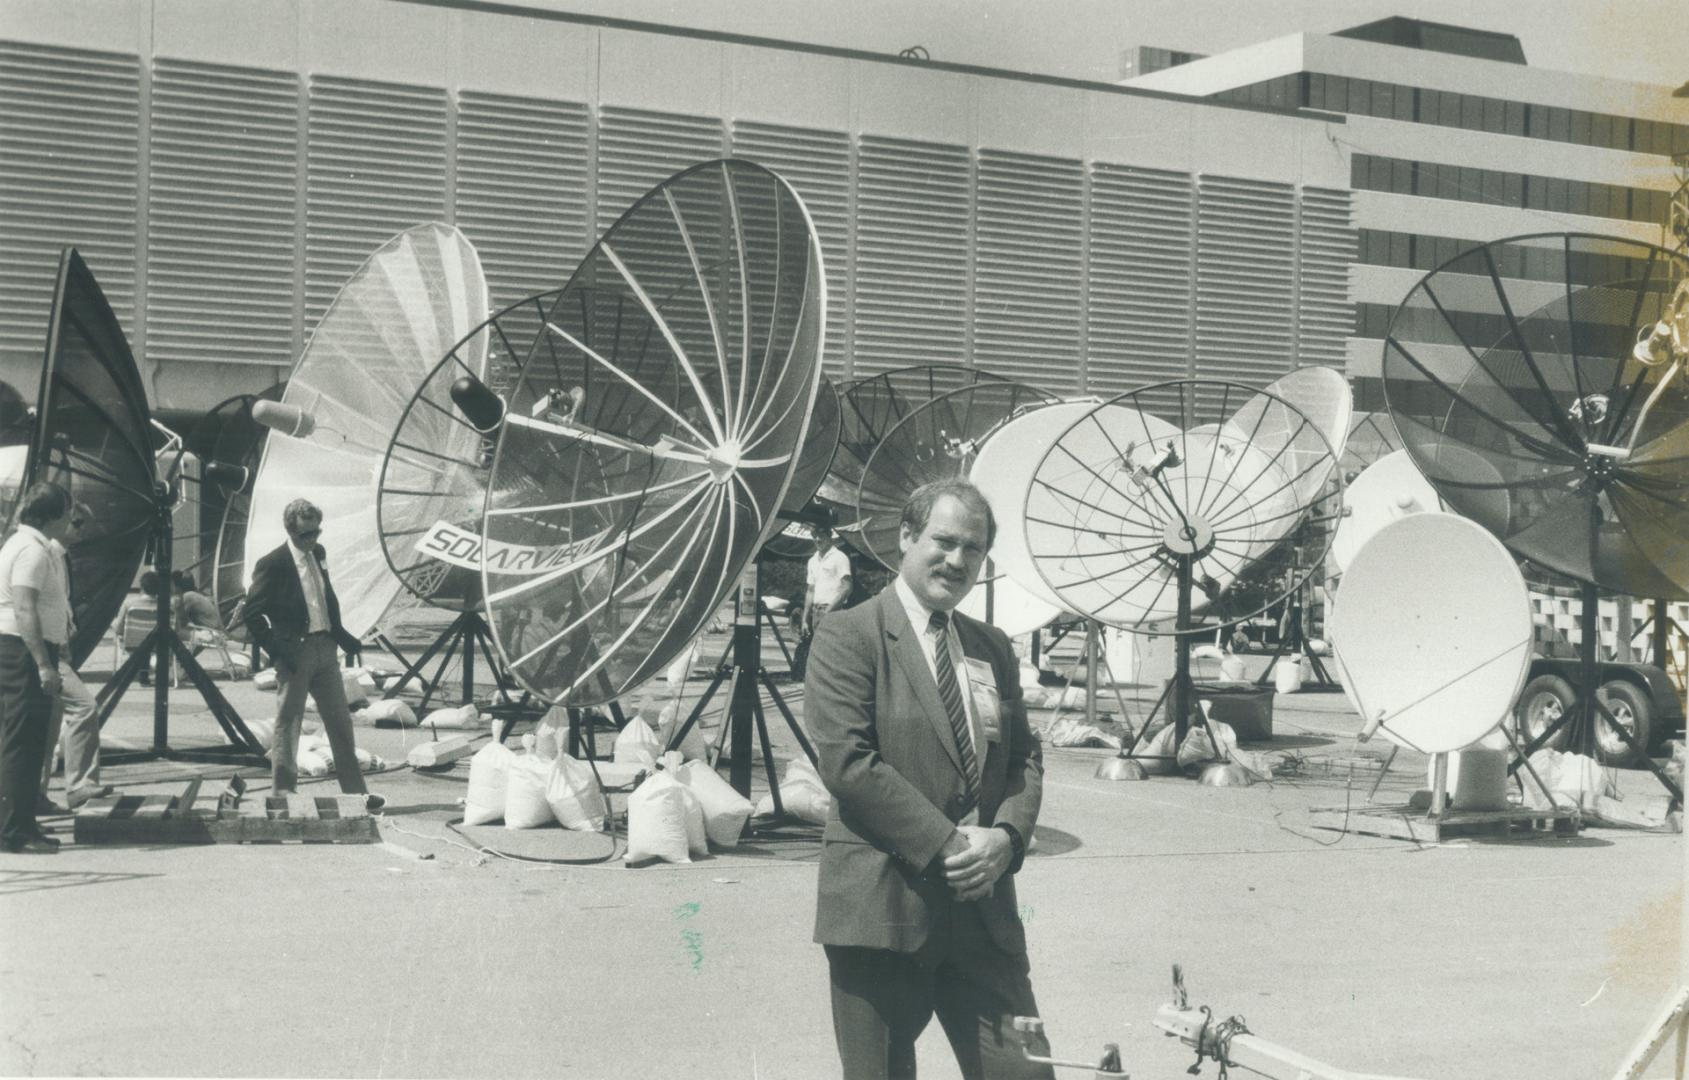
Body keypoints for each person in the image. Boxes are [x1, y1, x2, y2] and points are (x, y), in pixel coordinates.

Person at [804, 478, 1053, 1079]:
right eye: (943, 541)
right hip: (883, 907)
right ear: (907, 537)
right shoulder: (849, 635)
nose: (957, 560)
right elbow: (848, 763)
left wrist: (1007, 839)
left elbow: (1023, 756)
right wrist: (949, 844)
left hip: (982, 913)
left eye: (973, 549)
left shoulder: (991, 647)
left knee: (1027, 1074)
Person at [242, 499, 383, 812]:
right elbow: (251, 613)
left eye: (317, 532)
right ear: (291, 532)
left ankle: (356, 794)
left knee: (340, 721)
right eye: (306, 535)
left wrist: (342, 634)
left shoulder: (318, 554)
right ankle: (282, 795)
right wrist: (277, 649)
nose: (313, 539)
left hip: (325, 648)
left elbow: (324, 597)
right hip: (295, 651)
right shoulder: (273, 563)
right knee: (288, 724)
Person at [0, 481, 75, 853]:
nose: (69, 522)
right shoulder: (31, 551)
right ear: (52, 517)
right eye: (67, 514)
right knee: (22, 742)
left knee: (24, 741)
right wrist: (44, 664)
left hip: (19, 649)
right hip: (23, 652)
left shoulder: (24, 543)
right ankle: (14, 834)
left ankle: (23, 824)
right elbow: (24, 608)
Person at [40, 502, 114, 810]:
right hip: (45, 648)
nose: (80, 531)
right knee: (84, 707)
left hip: (57, 645)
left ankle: (34, 793)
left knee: (49, 721)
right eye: (77, 524)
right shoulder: (48, 554)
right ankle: (80, 784)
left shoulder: (61, 556)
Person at [803, 523, 853, 637]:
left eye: (821, 535)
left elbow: (847, 587)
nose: (817, 539)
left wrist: (828, 612)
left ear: (829, 536)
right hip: (816, 613)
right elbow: (810, 590)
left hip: (834, 612)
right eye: (814, 536)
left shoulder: (839, 557)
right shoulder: (812, 561)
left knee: (832, 651)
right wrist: (804, 620)